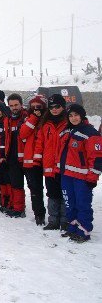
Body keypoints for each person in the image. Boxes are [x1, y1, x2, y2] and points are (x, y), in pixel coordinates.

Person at [57, 104, 102, 242]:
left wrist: (92, 177)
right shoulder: (67, 131)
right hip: (67, 175)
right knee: (69, 203)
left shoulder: (90, 132)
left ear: (82, 116)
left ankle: (83, 230)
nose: (73, 118)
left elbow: (97, 156)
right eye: (70, 115)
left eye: (76, 115)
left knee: (82, 204)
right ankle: (73, 227)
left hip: (82, 177)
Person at [36, 94, 69, 231]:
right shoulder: (45, 124)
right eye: (51, 107)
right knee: (52, 194)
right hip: (49, 166)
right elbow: (40, 143)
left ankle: (65, 221)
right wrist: (37, 160)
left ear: (63, 107)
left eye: (57, 106)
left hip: (64, 167)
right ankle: (53, 221)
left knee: (64, 195)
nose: (54, 109)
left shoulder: (69, 123)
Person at [20, 95, 47, 225]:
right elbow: (23, 134)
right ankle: (38, 214)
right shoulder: (28, 119)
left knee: (53, 190)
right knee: (35, 189)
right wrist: (34, 118)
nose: (36, 109)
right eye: (33, 106)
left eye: (39, 106)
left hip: (46, 160)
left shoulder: (48, 119)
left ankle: (58, 216)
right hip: (30, 160)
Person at [5, 93, 29, 218]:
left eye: (16, 105)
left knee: (34, 186)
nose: (14, 107)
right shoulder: (8, 118)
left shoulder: (27, 117)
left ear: (21, 104)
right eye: (11, 105)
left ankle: (38, 213)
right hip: (12, 157)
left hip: (26, 157)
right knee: (16, 183)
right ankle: (17, 207)